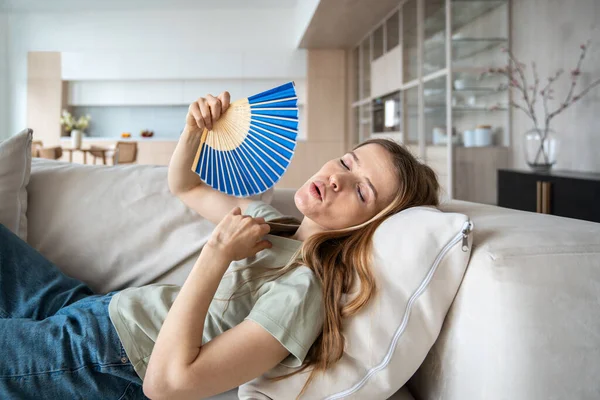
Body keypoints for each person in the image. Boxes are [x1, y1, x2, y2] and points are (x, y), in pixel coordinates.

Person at [0, 91, 440, 400]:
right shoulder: (272, 225)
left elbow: (166, 384)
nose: (338, 178)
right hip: (95, 308)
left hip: (105, 361)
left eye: (362, 192)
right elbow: (186, 186)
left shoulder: (304, 293)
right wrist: (194, 130)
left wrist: (216, 255)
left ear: (371, 227)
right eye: (347, 161)